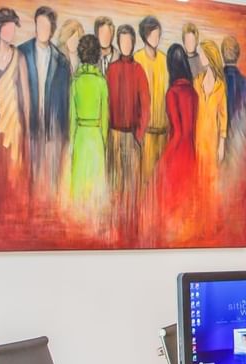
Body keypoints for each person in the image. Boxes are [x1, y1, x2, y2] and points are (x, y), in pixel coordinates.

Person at [18, 6, 70, 197]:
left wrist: (64, 134)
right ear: (35, 26)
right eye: (40, 25)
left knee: (51, 183)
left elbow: (65, 100)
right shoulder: (21, 53)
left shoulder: (62, 61)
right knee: (28, 179)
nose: (43, 29)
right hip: (28, 125)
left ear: (53, 29)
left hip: (53, 129)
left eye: (47, 26)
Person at [106, 24, 149, 241]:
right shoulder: (111, 69)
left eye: (128, 41)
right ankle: (115, 229)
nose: (125, 44)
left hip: (132, 137)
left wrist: (139, 135)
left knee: (132, 188)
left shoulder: (139, 70)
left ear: (133, 43)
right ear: (118, 42)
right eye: (122, 40)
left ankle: (132, 231)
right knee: (115, 185)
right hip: (113, 135)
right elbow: (104, 104)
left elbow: (146, 105)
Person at [157, 43, 197, 242]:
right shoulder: (193, 93)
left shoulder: (172, 93)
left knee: (172, 206)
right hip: (191, 152)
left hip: (177, 153)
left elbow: (178, 131)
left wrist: (163, 160)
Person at [68, 34, 108, 222]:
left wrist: (71, 143)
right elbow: (106, 116)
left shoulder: (75, 82)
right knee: (96, 182)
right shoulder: (101, 82)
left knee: (79, 182)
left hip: (80, 136)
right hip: (96, 135)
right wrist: (104, 140)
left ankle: (78, 220)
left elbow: (71, 118)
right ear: (97, 56)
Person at [0, 7, 31, 186]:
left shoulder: (19, 57)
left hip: (13, 123)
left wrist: (27, 128)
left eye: (13, 28)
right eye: (7, 27)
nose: (11, 32)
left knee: (12, 171)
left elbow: (26, 97)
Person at [133, 16, 167, 184]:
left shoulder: (164, 59)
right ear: (144, 35)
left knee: (161, 180)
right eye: (152, 34)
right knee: (145, 181)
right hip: (144, 133)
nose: (156, 38)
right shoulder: (137, 59)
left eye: (158, 34)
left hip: (163, 131)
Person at [194, 40, 227, 191]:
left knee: (211, 181)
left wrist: (222, 144)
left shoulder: (220, 86)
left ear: (209, 56)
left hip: (212, 140)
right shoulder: (197, 81)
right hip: (197, 138)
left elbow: (223, 117)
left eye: (201, 53)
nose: (199, 56)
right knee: (197, 178)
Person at [221, 35, 246, 159]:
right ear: (238, 54)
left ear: (223, 54)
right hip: (239, 141)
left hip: (219, 141)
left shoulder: (216, 81)